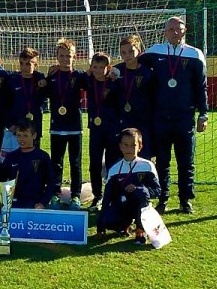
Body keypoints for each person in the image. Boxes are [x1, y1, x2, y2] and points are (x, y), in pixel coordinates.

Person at [138, 17, 209, 214]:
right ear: (165, 32)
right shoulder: (155, 52)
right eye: (171, 29)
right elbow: (132, 63)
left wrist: (204, 114)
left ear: (185, 30)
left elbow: (201, 87)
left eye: (178, 29)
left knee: (186, 162)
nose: (174, 32)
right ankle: (162, 199)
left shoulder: (195, 54)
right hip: (160, 118)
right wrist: (114, 72)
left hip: (185, 118)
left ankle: (186, 200)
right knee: (162, 162)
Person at [96, 128, 162, 244]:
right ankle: (124, 226)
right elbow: (107, 198)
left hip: (141, 206)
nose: (129, 149)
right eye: (125, 145)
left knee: (140, 192)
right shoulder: (114, 169)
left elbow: (157, 191)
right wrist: (100, 225)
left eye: (133, 145)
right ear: (120, 146)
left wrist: (140, 188)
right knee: (108, 220)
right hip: (123, 205)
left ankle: (141, 230)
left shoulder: (147, 166)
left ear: (140, 147)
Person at [44, 38, 87, 211]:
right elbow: (44, 92)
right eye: (61, 56)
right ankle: (55, 193)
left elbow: (93, 79)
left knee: (75, 162)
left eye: (68, 56)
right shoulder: (52, 76)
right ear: (56, 57)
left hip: (74, 127)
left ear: (74, 57)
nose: (65, 59)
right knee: (56, 162)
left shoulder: (79, 76)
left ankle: (76, 196)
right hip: (56, 127)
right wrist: (47, 75)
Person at [85, 52, 121, 212]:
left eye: (101, 67)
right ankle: (97, 196)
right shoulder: (87, 81)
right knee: (94, 164)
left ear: (108, 68)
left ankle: (112, 196)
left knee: (113, 164)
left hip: (112, 129)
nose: (98, 70)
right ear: (91, 67)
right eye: (95, 67)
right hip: (95, 129)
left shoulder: (114, 83)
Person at [0, 117, 55, 209]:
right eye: (19, 135)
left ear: (34, 136)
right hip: (15, 204)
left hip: (36, 204)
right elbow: (1, 181)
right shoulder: (11, 157)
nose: (21, 139)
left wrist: (43, 203)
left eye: (25, 136)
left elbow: (51, 183)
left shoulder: (42, 157)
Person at [113, 34, 155, 159]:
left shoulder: (148, 72)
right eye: (123, 52)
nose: (127, 55)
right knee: (122, 158)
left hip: (143, 121)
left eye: (131, 51)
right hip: (122, 121)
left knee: (143, 157)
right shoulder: (116, 71)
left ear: (139, 51)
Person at [4, 48, 46, 149]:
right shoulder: (13, 81)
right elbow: (5, 105)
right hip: (17, 129)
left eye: (28, 64)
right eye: (21, 63)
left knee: (33, 160)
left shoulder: (40, 81)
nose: (24, 67)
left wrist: (40, 77)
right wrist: (9, 124)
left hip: (34, 129)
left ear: (35, 65)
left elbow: (43, 101)